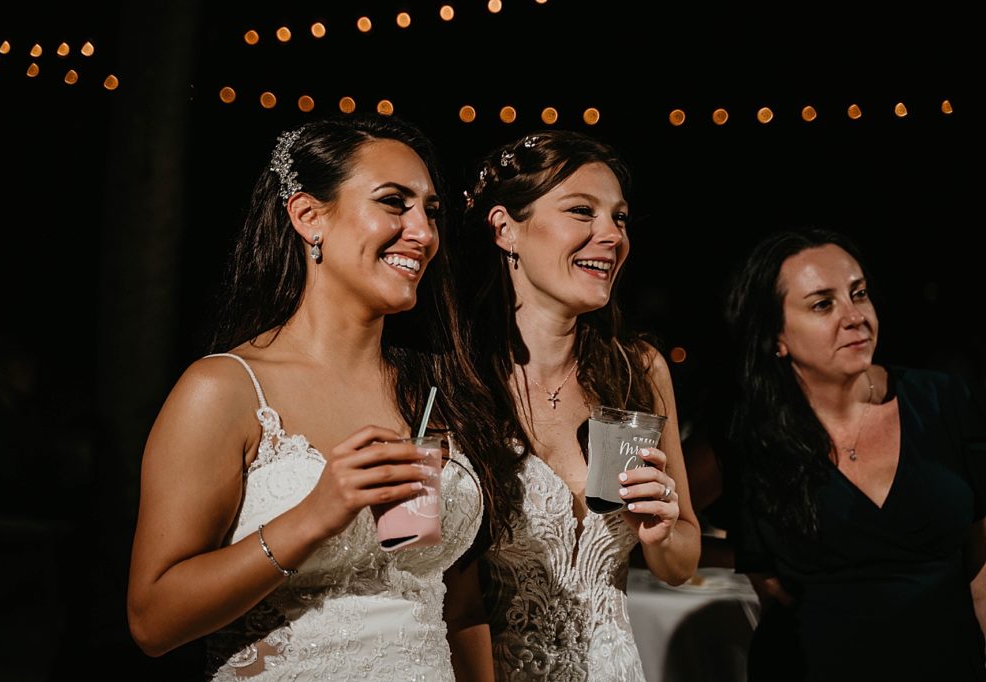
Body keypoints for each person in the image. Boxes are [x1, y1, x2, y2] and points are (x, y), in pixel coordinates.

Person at [126, 113, 509, 680]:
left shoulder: (437, 391)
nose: (424, 233)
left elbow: (460, 602)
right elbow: (153, 622)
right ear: (308, 217)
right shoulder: (225, 390)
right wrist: (313, 516)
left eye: (431, 210)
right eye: (394, 203)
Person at [453, 129, 701, 680]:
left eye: (620, 218)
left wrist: (662, 531)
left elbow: (681, 563)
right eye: (582, 211)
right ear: (505, 229)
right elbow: (452, 599)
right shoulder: (459, 380)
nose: (610, 235)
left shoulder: (637, 370)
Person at [723, 227, 986, 681]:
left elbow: (982, 562)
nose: (854, 316)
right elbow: (769, 587)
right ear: (776, 336)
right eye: (823, 304)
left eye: (858, 294)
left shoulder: (942, 400)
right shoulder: (756, 434)